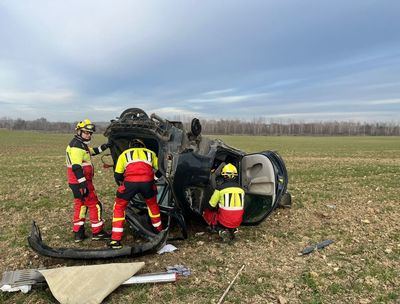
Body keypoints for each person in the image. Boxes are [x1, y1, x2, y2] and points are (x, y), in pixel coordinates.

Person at [109, 139, 163, 249]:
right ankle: (158, 231)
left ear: (130, 146)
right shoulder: (150, 153)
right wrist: (154, 179)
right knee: (152, 206)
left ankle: (115, 240)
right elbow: (161, 169)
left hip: (129, 184)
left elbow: (118, 175)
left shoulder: (124, 154)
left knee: (119, 207)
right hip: (147, 183)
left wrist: (123, 182)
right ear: (143, 146)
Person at [66, 119, 111, 242]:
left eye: (90, 133)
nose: (89, 135)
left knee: (81, 206)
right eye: (86, 132)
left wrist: (106, 146)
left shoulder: (81, 144)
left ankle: (78, 233)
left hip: (76, 183)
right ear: (79, 131)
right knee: (95, 205)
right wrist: (83, 184)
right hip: (82, 183)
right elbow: (76, 166)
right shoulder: (76, 146)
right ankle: (98, 232)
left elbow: (93, 152)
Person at [203, 163, 245, 241]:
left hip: (224, 221)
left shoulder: (220, 189)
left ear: (224, 175)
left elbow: (211, 206)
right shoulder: (241, 190)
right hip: (238, 221)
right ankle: (233, 229)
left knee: (207, 212)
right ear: (235, 176)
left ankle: (220, 230)